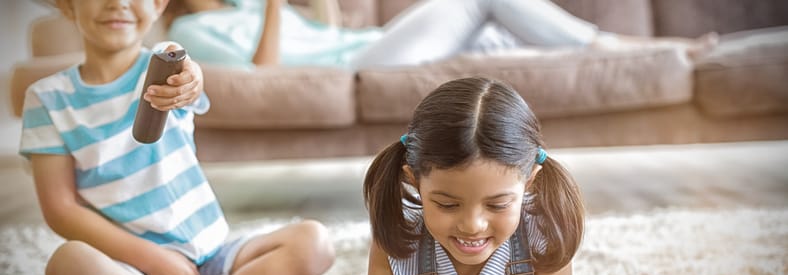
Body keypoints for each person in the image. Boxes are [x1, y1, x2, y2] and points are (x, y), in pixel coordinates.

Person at [19, 1, 335, 275]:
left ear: (157, 5)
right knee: (67, 265)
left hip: (213, 259)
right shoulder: (46, 99)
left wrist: (191, 77)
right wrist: (152, 259)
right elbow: (60, 210)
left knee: (314, 242)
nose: (118, 3)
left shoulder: (165, 67)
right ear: (68, 5)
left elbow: (185, 68)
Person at [359, 76, 584, 275]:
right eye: (448, 204)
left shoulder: (545, 235)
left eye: (497, 205)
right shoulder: (397, 241)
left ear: (529, 183)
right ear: (414, 181)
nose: (472, 225)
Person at [164, 0, 717, 70]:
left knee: (502, 40)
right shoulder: (193, 29)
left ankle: (656, 54)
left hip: (363, 47)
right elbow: (266, 75)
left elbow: (326, 32)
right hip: (355, 70)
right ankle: (621, 46)